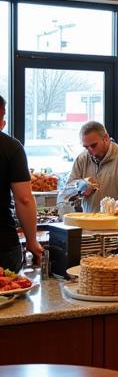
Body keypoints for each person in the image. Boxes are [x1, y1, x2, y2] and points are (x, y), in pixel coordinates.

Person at [0, 95, 42, 270]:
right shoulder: (11, 147)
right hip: (2, 243)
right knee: (8, 294)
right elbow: (24, 199)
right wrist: (32, 242)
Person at [68, 121, 118, 212]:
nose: (89, 151)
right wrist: (80, 186)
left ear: (106, 138)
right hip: (89, 223)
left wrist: (115, 207)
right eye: (86, 147)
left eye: (93, 145)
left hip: (117, 223)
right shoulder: (82, 158)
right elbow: (66, 190)